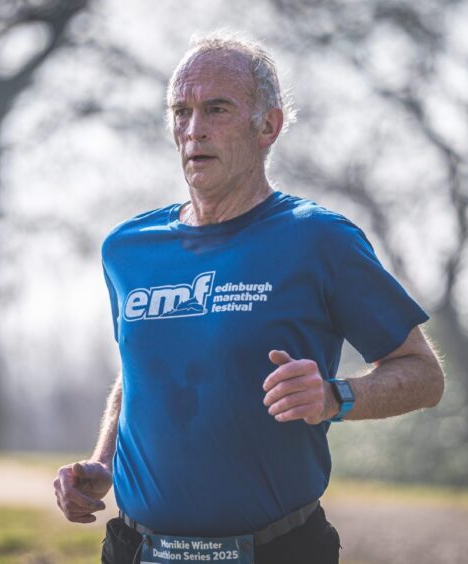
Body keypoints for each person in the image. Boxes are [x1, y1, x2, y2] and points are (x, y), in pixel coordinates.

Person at [53, 31, 445, 564]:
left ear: (269, 126)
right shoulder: (126, 250)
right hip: (136, 549)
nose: (194, 130)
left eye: (216, 109)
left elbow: (423, 375)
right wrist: (102, 463)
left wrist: (335, 398)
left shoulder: (319, 239)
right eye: (181, 111)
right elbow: (137, 376)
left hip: (276, 550)